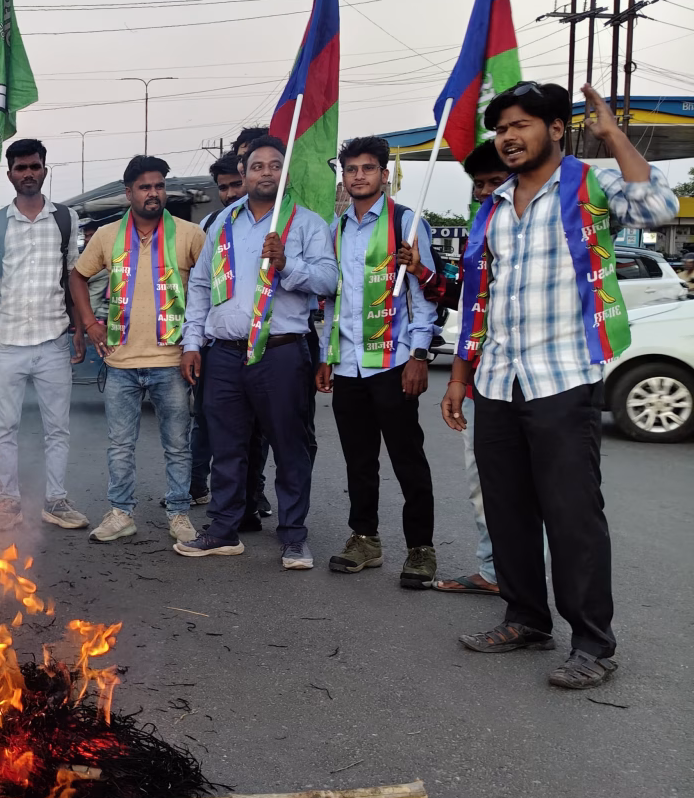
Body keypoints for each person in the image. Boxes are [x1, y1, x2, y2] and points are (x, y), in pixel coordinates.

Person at [442, 81, 679, 689]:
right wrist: (461, 376)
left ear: (554, 129)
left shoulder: (589, 186)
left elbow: (658, 208)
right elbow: (480, 299)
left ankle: (593, 645)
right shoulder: (494, 206)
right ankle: (525, 619)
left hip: (564, 378)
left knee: (572, 517)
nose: (508, 137)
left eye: (521, 124)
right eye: (501, 128)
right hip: (499, 382)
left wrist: (612, 135)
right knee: (507, 511)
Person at [177, 136, 338, 568]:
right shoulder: (223, 224)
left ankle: (294, 537)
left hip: (280, 353)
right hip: (224, 353)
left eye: (274, 165)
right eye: (257, 166)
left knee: (289, 446)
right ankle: (223, 529)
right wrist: (193, 343)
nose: (266, 172)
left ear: (285, 173)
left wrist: (288, 264)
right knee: (227, 446)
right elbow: (200, 286)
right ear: (244, 174)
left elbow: (328, 281)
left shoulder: (306, 224)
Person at [315, 137, 438, 587]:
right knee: (359, 461)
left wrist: (419, 355)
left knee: (408, 459)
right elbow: (333, 300)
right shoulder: (336, 229)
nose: (359, 176)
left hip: (393, 362)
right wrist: (327, 354)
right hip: (348, 366)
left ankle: (421, 548)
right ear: (344, 178)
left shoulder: (407, 223)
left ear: (384, 175)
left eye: (368, 168)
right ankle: (364, 539)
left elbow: (423, 296)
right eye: (351, 169)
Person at [71, 155, 206, 543]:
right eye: (145, 187)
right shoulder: (107, 235)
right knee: (120, 446)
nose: (153, 193)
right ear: (128, 192)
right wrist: (90, 323)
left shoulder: (190, 234)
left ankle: (179, 514)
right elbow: (77, 276)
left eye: (159, 186)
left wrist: (196, 344)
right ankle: (120, 513)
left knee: (178, 445)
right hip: (121, 362)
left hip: (172, 360)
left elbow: (207, 290)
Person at [0, 139, 88, 531]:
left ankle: (55, 500)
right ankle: (8, 501)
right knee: (5, 428)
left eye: (34, 166)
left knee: (57, 428)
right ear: (9, 175)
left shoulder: (65, 218)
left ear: (44, 170)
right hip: (9, 342)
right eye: (21, 168)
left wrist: (79, 326)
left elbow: (73, 275)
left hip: (53, 340)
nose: (28, 173)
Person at [434, 141, 510, 598]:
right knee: (483, 484)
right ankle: (493, 571)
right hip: (485, 380)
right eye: (479, 185)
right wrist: (458, 380)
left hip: (542, 387)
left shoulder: (548, 233)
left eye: (494, 182)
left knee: (538, 492)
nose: (484, 192)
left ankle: (525, 585)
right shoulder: (480, 237)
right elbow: (469, 309)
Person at [191, 154, 249, 505]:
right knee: (206, 418)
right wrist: (193, 341)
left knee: (260, 430)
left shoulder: (281, 222)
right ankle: (197, 485)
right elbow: (199, 282)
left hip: (267, 344)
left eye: (235, 185)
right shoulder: (213, 224)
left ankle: (252, 497)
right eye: (223, 188)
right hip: (218, 344)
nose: (230, 193)